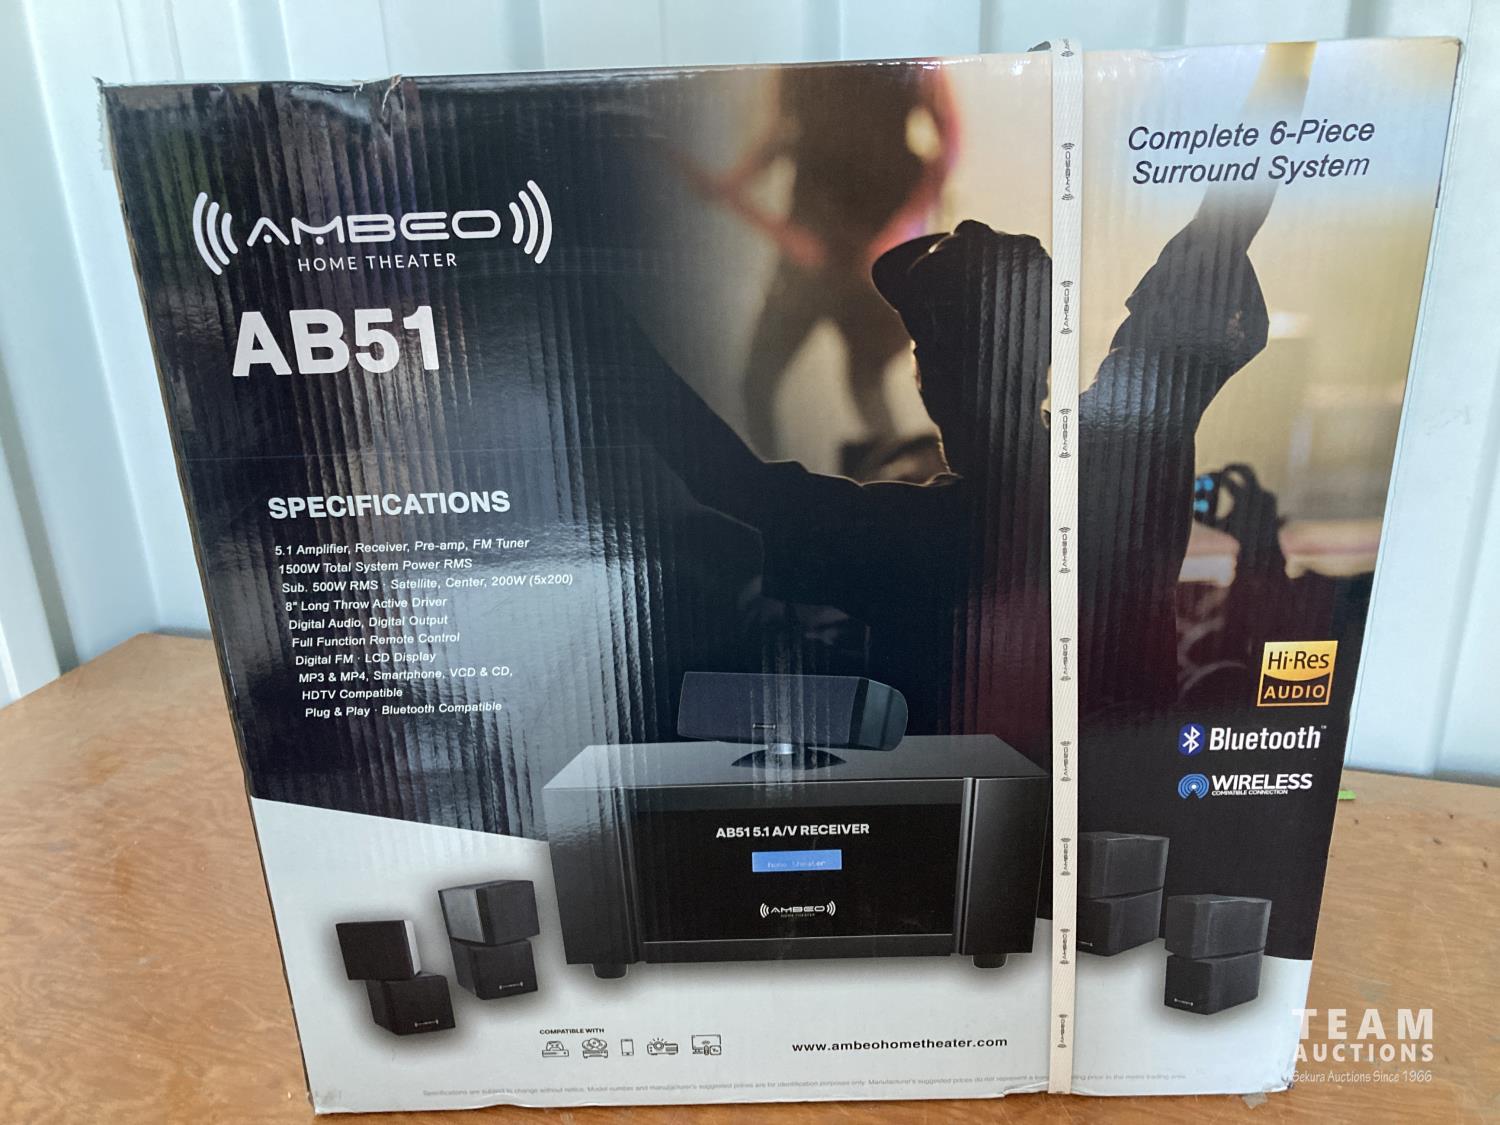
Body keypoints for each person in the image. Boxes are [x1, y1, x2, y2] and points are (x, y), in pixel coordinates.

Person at [704, 66, 957, 461]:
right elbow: (781, 135)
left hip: (877, 247)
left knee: (866, 379)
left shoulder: (917, 62)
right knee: (758, 382)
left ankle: (911, 480)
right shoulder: (792, 66)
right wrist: (735, 185)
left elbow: (949, 139)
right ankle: (780, 489)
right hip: (810, 244)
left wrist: (902, 229)